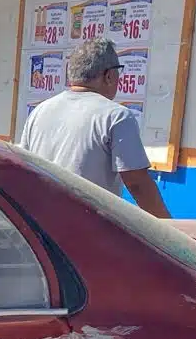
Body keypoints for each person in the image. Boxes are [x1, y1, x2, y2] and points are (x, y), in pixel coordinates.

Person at [17, 39, 171, 218]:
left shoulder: (40, 111)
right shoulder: (116, 116)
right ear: (109, 76)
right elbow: (137, 183)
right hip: (87, 228)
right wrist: (171, 231)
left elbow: (24, 168)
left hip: (41, 224)